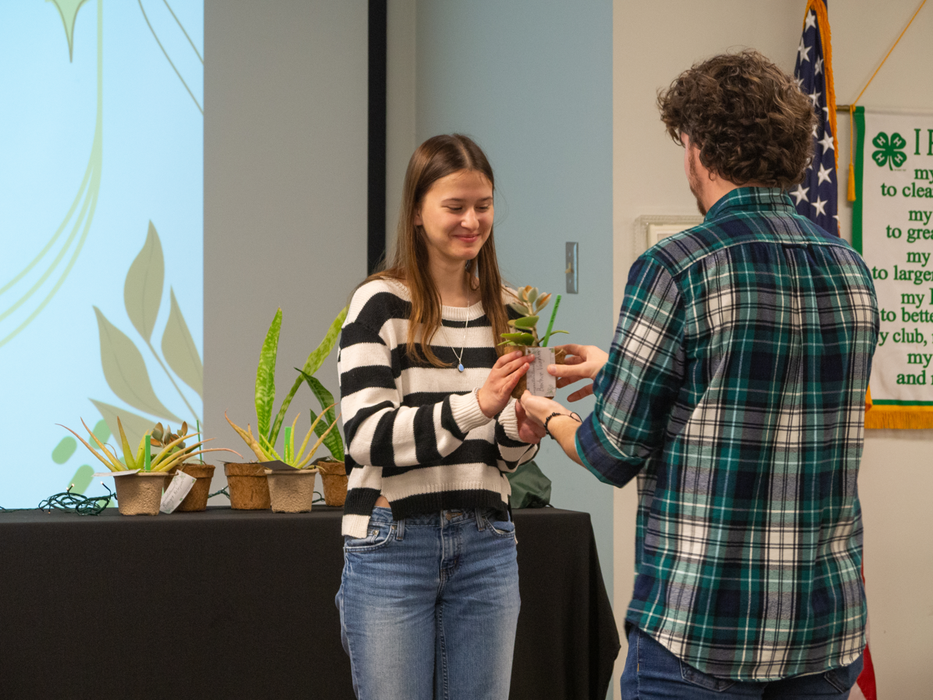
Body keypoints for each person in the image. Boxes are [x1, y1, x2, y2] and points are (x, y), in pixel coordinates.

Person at [520, 50, 879, 699]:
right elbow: (760, 391)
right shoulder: (851, 268)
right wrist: (616, 372)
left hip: (702, 631)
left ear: (695, 147)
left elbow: (609, 452)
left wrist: (546, 413)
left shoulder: (676, 266)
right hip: (824, 634)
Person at [335, 133, 545, 700]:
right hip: (391, 545)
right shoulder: (379, 303)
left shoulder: (513, 309)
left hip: (487, 544)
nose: (472, 221)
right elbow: (367, 438)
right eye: (455, 207)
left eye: (484, 205)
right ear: (417, 212)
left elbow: (506, 453)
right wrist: (477, 407)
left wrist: (521, 432)